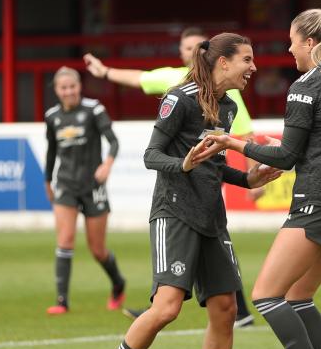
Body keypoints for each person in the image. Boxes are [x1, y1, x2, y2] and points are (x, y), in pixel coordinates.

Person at [194, 9, 321, 349]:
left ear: (309, 42)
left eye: (292, 42)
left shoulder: (305, 87)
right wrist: (283, 144)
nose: (289, 50)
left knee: (266, 296)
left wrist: (232, 143)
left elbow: (287, 157)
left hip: (320, 200)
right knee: (299, 296)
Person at [109, 33, 281, 349]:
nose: (254, 67)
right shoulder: (180, 98)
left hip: (211, 218)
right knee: (167, 308)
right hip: (174, 213)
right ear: (223, 62)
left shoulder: (228, 107)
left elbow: (213, 166)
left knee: (226, 309)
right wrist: (182, 164)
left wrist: (248, 179)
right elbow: (151, 155)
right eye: (247, 60)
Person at [84, 27, 258, 327]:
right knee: (168, 305)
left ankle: (238, 311)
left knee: (223, 294)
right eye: (188, 47)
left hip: (210, 202)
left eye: (197, 46)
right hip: (177, 205)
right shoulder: (175, 84)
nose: (194, 52)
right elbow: (139, 79)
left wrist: (251, 176)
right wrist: (105, 71)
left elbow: (236, 141)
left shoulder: (230, 101)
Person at [44, 66, 127, 315]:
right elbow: (51, 152)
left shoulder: (94, 109)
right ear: (57, 90)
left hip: (93, 186)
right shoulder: (52, 116)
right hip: (66, 184)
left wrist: (107, 164)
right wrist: (47, 180)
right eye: (63, 88)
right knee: (65, 239)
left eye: (72, 86)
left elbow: (113, 141)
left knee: (97, 249)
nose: (69, 91)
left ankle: (118, 283)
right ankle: (62, 302)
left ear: (79, 86)